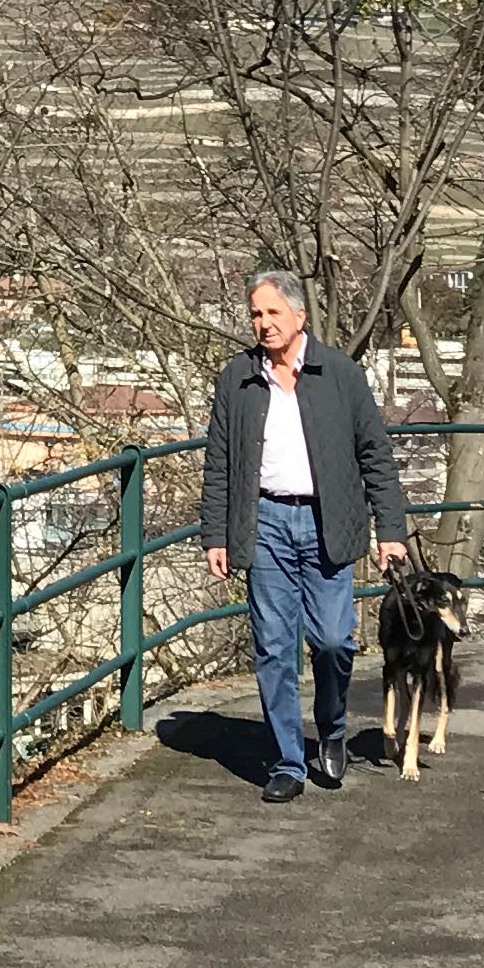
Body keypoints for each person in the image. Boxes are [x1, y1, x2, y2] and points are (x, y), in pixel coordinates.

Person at [197, 268, 412, 801]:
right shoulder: (238, 379)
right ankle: (288, 762)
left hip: (327, 522)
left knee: (335, 641)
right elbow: (219, 464)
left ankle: (332, 730)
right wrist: (216, 534)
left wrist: (391, 530)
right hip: (264, 521)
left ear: (300, 316)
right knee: (273, 647)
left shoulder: (340, 374)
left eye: (273, 313)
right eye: (255, 314)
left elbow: (376, 457)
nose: (263, 324)